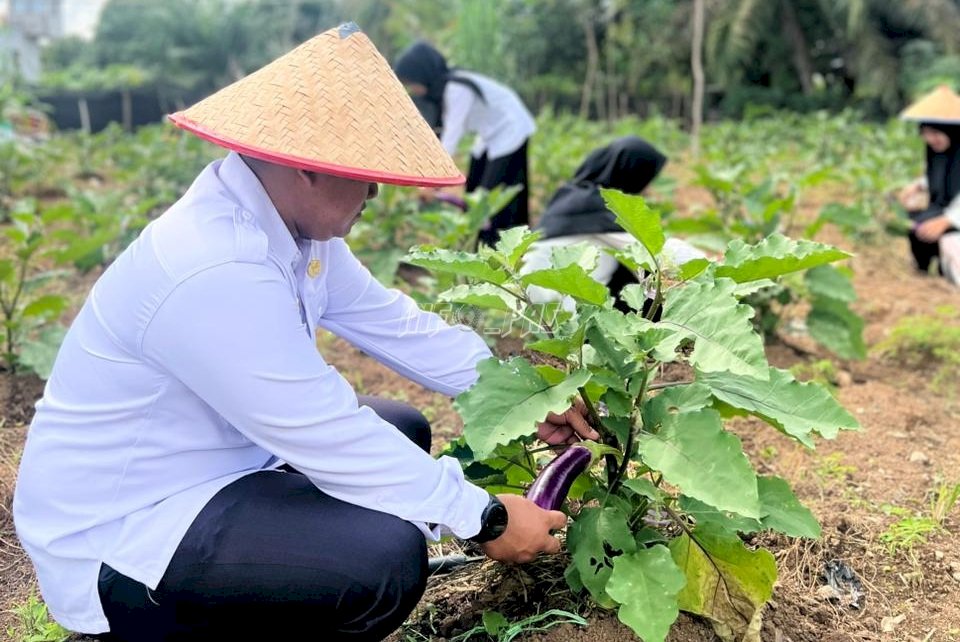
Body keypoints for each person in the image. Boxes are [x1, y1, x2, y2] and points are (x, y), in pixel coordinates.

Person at [12, 24, 597, 641]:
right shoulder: (214, 264)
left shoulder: (291, 229)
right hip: (123, 532)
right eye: (365, 173)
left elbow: (399, 326)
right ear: (305, 167)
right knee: (381, 561)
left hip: (212, 466)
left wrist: (526, 397)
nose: (376, 191)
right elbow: (320, 427)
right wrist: (485, 517)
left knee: (403, 427)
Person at [523, 136, 705, 311]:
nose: (648, 188)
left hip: (537, 309)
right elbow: (656, 249)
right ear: (630, 173)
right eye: (645, 179)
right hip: (570, 317)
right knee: (654, 284)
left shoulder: (576, 194)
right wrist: (711, 264)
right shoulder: (599, 205)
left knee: (632, 269)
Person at [394, 41, 536, 246]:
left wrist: (431, 184)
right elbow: (437, 134)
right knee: (474, 188)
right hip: (490, 133)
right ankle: (479, 242)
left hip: (510, 127)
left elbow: (452, 136)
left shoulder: (456, 88)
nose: (412, 89)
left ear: (423, 73)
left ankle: (498, 246)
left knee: (492, 193)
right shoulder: (442, 90)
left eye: (412, 82)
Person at [898, 85, 960, 276]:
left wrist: (947, 220)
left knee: (940, 233)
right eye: (926, 133)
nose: (930, 139)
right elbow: (940, 174)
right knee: (916, 224)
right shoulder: (939, 153)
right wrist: (917, 185)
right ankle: (926, 270)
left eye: (935, 133)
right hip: (947, 209)